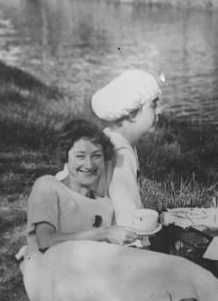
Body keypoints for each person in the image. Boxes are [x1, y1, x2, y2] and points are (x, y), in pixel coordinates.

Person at [19, 119, 218, 301]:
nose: (89, 164)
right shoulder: (48, 186)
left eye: (97, 156)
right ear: (66, 156)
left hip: (88, 268)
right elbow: (45, 240)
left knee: (158, 268)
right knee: (129, 280)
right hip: (50, 273)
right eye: (80, 156)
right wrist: (106, 233)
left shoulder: (104, 202)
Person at [56, 68, 161, 227]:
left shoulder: (108, 138)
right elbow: (127, 211)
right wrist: (140, 241)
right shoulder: (121, 154)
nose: (159, 111)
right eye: (153, 106)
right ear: (132, 114)